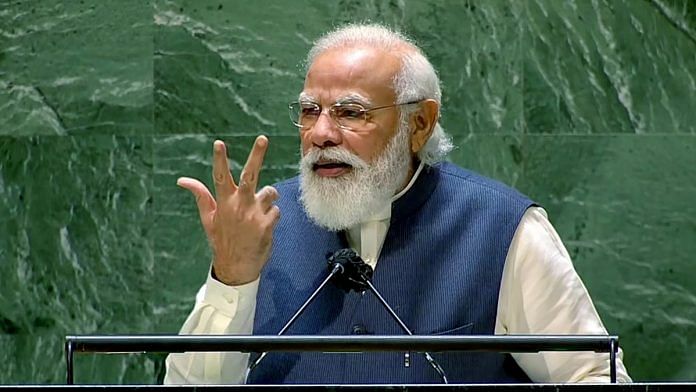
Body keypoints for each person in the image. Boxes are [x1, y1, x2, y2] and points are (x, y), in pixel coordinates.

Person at [164, 23, 630, 384]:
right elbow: (189, 389)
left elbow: (592, 375)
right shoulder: (263, 223)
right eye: (310, 111)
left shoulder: (503, 230)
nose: (322, 134)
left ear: (420, 123)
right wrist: (232, 276)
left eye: (351, 112)